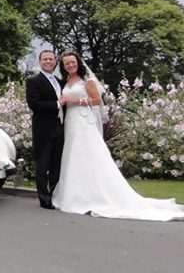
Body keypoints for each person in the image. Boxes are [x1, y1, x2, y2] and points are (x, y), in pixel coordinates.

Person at [52, 51, 184, 221]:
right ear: (63, 66)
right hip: (71, 122)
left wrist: (74, 101)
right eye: (67, 64)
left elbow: (96, 100)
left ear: (78, 62)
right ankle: (74, 193)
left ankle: (99, 195)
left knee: (90, 155)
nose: (70, 65)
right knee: (73, 156)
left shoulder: (88, 81)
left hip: (84, 121)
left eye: (72, 62)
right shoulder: (66, 81)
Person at [25, 50, 66, 209]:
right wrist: (57, 104)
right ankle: (44, 198)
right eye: (45, 59)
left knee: (56, 164)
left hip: (60, 127)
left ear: (55, 62)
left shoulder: (59, 81)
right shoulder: (34, 81)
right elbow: (34, 104)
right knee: (42, 165)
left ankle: (55, 194)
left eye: (51, 59)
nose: (48, 61)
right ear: (39, 62)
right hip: (43, 129)